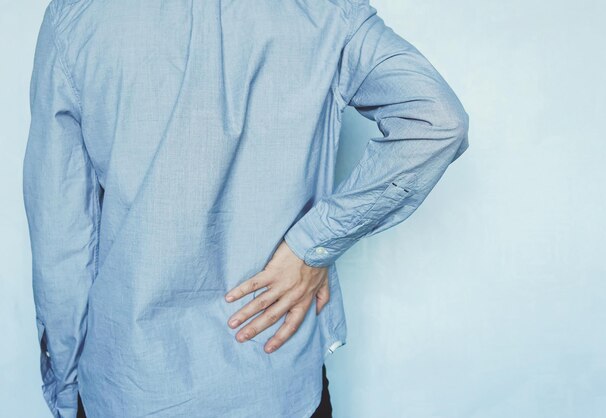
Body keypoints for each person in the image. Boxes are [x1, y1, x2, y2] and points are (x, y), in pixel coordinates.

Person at [22, 0, 469, 417]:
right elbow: (438, 119)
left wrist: (66, 389)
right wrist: (312, 245)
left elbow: (61, 242)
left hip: (132, 386)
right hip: (276, 375)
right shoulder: (323, 10)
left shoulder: (79, 16)